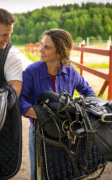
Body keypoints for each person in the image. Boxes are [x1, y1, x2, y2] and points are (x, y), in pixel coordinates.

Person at [19, 29, 96, 180]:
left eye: (47, 47)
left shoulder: (71, 73)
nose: (40, 49)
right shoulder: (31, 72)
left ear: (60, 52)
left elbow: (89, 93)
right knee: (39, 174)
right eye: (41, 45)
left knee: (66, 172)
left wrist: (82, 111)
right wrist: (38, 114)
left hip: (67, 132)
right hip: (40, 131)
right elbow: (20, 101)